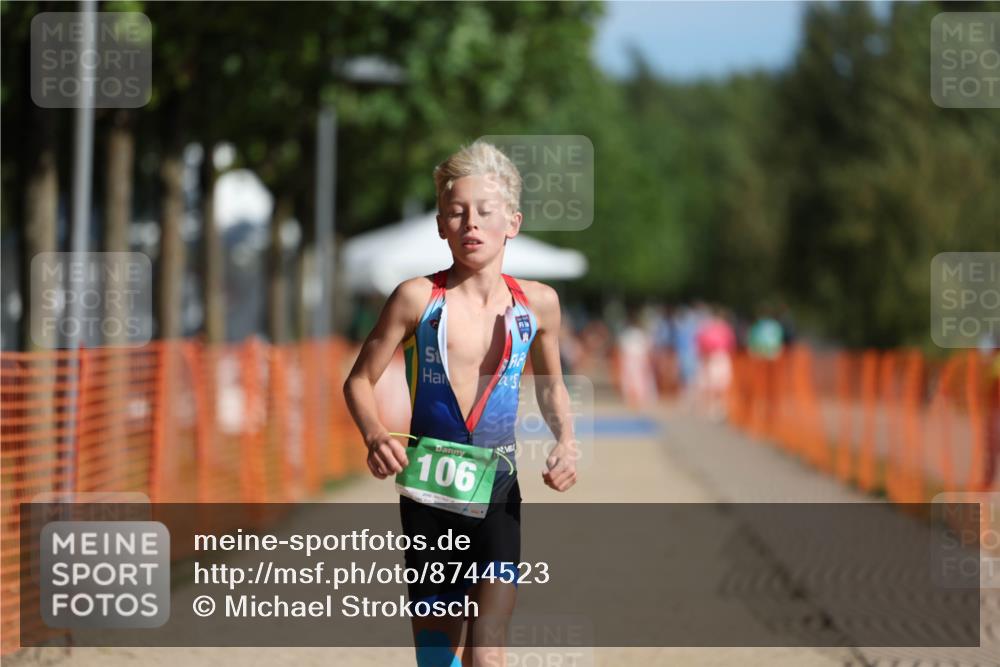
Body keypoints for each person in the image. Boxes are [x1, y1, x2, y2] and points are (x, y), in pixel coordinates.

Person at [343, 139, 578, 667]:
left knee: (488, 653)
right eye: (456, 212)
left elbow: (551, 386)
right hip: (431, 494)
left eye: (485, 211)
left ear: (512, 223)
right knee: (439, 659)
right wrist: (375, 435)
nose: (471, 223)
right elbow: (358, 381)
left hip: (499, 490)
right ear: (440, 225)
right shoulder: (416, 298)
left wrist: (566, 440)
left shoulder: (539, 304)